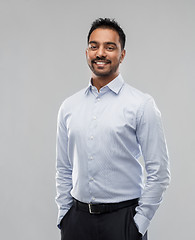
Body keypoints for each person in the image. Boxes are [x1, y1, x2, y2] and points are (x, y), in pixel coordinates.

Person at [55, 18, 170, 240]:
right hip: (77, 221)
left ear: (122, 54)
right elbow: (63, 167)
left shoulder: (141, 105)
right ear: (86, 52)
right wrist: (64, 215)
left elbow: (159, 172)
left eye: (110, 47)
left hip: (124, 221)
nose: (101, 53)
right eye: (94, 46)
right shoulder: (69, 107)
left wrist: (139, 223)